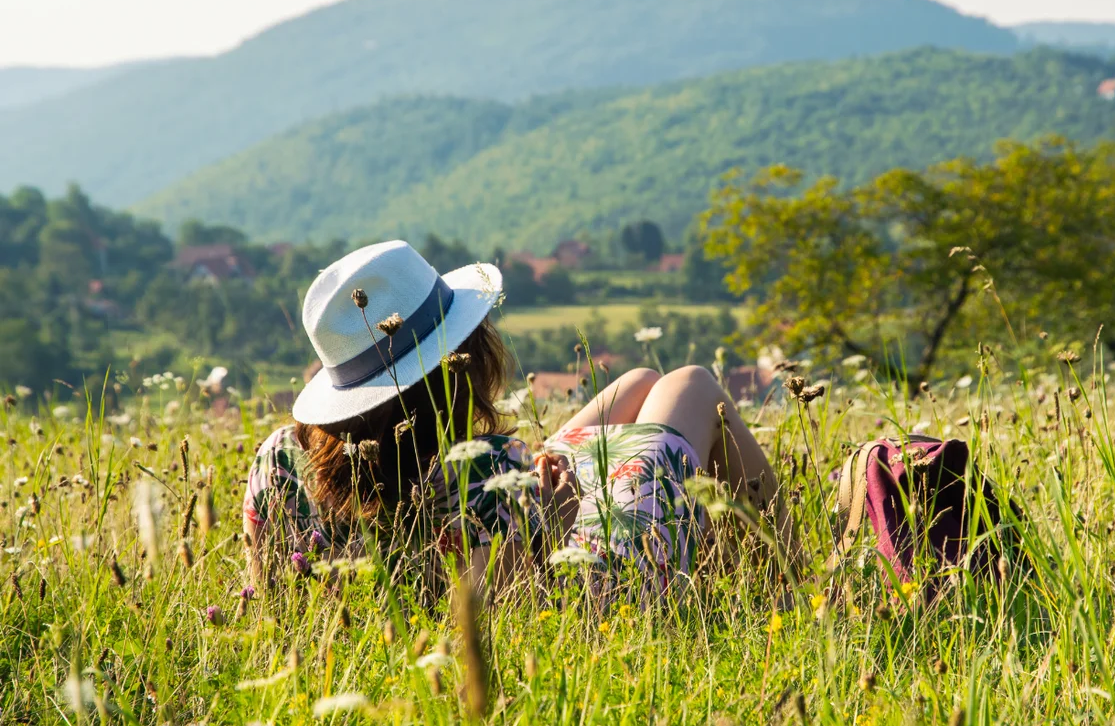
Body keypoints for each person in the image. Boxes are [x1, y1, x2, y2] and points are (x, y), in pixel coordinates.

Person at [242, 239, 787, 596]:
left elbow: (266, 603)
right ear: (460, 361)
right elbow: (512, 623)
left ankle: (731, 565)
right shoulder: (486, 469)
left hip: (508, 506)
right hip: (597, 592)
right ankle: (803, 583)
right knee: (690, 385)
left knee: (639, 382)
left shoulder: (277, 458)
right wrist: (552, 521)